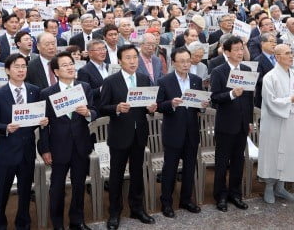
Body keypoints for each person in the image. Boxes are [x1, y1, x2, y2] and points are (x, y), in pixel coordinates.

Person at [0, 54, 48, 230]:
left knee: (25, 191)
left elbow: (35, 116)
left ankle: (23, 224)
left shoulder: (34, 90)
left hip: (27, 150)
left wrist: (41, 121)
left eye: (24, 66)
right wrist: (6, 127)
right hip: (7, 151)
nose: (21, 70)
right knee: (2, 193)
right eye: (16, 67)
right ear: (7, 70)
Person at [99, 45, 157, 230]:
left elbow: (147, 104)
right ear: (119, 61)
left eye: (135, 57)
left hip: (139, 133)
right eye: (128, 58)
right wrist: (116, 108)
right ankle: (114, 212)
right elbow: (102, 107)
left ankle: (137, 208)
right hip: (119, 135)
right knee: (116, 175)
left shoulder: (144, 78)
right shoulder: (110, 81)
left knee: (137, 172)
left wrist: (151, 108)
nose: (133, 61)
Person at [38, 51, 97, 230]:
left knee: (79, 185)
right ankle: (57, 224)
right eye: (65, 65)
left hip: (80, 144)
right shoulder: (47, 93)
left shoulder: (84, 87)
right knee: (57, 188)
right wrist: (45, 149)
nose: (70, 67)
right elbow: (43, 125)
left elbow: (95, 111)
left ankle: (77, 220)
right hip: (58, 146)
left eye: (71, 63)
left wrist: (87, 113)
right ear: (56, 72)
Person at [155, 48, 206, 218]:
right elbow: (159, 105)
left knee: (190, 168)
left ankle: (186, 200)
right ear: (173, 63)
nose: (186, 64)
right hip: (173, 132)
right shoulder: (164, 81)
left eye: (188, 60)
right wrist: (172, 104)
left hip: (191, 131)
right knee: (170, 169)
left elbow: (198, 106)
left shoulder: (196, 80)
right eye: (181, 61)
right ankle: (167, 202)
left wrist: (203, 106)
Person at [210, 36, 254, 212]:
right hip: (225, 124)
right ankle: (220, 195)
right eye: (236, 49)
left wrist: (249, 120)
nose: (240, 52)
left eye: (241, 49)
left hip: (242, 124)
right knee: (222, 162)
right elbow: (214, 98)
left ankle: (235, 194)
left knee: (238, 161)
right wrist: (231, 94)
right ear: (227, 52)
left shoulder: (245, 69)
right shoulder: (218, 71)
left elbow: (250, 98)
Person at [258, 43, 294, 204]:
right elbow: (270, 102)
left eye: (291, 52)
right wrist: (290, 100)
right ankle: (269, 187)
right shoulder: (269, 77)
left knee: (289, 151)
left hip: (292, 119)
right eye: (287, 53)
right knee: (272, 153)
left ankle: (281, 186)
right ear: (277, 57)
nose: (291, 55)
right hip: (274, 121)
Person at [76, 39, 108, 109]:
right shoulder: (84, 71)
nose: (103, 52)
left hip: (114, 108)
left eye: (104, 49)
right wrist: (102, 89)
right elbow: (85, 94)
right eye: (99, 49)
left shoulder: (109, 67)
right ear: (90, 53)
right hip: (99, 110)